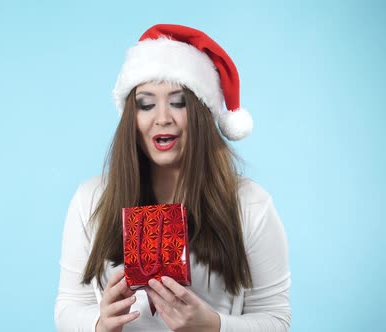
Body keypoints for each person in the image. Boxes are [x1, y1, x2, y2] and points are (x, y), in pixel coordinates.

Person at [55, 24, 291, 332]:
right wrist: (99, 325)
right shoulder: (91, 199)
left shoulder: (250, 204)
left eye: (178, 102)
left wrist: (214, 326)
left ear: (201, 115)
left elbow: (275, 319)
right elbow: (69, 306)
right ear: (132, 116)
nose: (162, 117)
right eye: (146, 104)